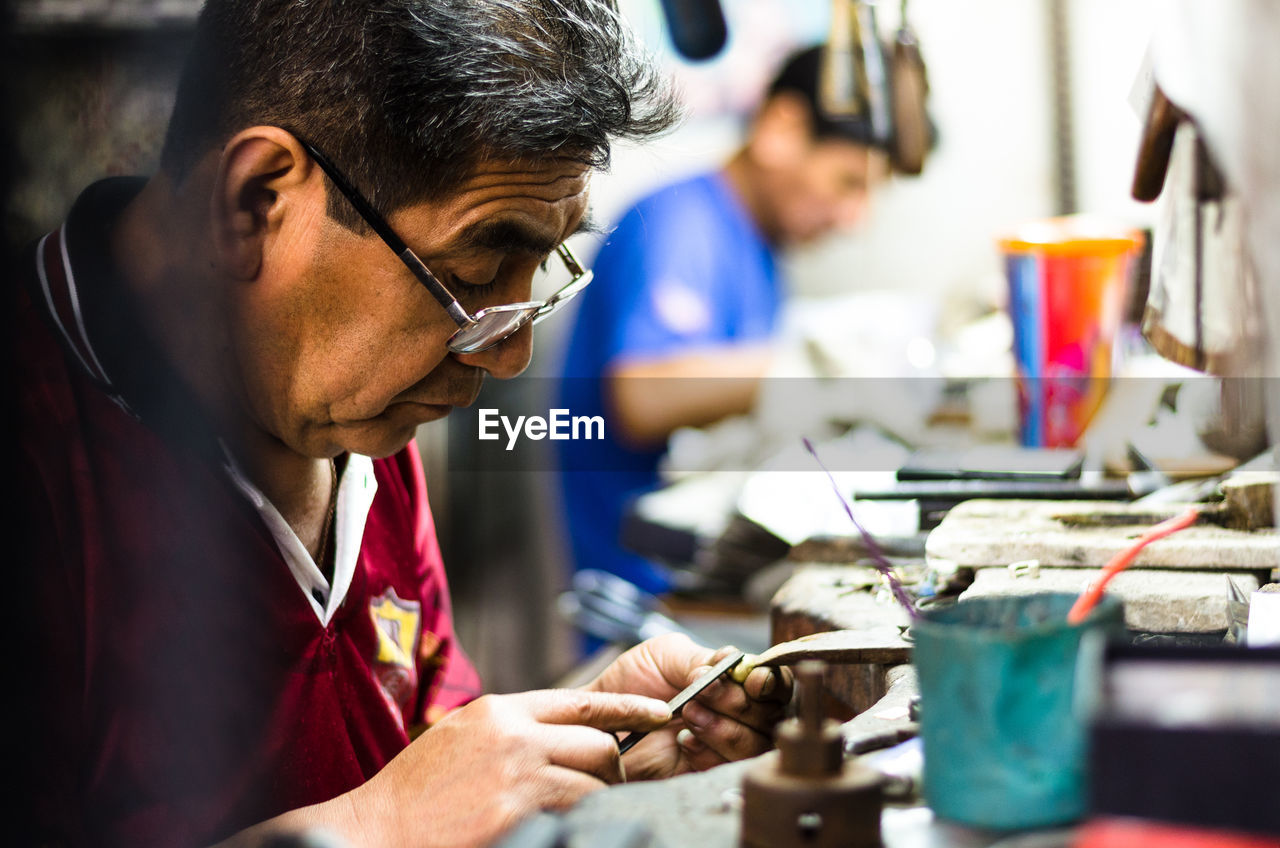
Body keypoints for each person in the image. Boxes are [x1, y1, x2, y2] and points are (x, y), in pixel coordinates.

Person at [12, 2, 791, 846]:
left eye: (538, 273)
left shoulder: (349, 417)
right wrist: (378, 824)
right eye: (475, 273)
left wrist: (591, 755)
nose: (508, 356)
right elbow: (398, 809)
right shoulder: (44, 451)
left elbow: (417, 748)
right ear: (253, 204)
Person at [556, 45, 892, 595]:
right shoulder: (679, 224)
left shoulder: (760, 244)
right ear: (782, 128)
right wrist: (804, 365)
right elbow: (641, 397)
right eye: (848, 182)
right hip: (650, 588)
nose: (855, 220)